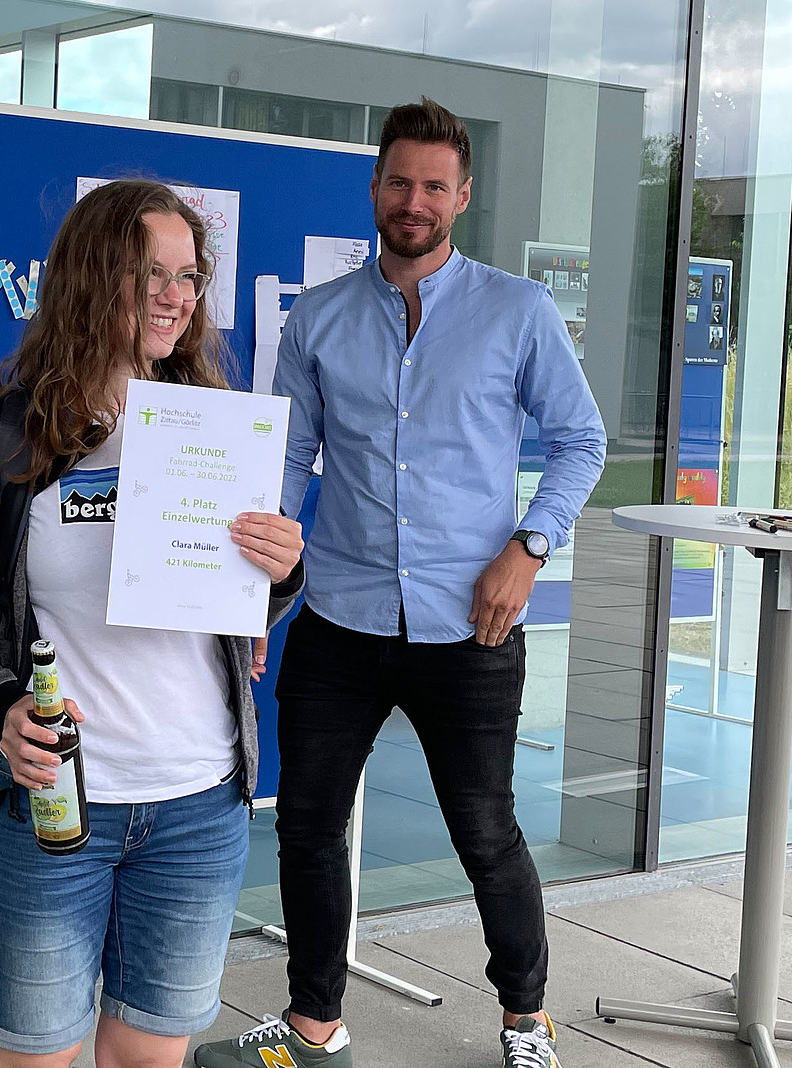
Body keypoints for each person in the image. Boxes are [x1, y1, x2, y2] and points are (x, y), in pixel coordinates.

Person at [196, 98, 605, 1068]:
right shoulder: (319, 318)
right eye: (398, 181)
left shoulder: (518, 311)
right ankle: (314, 1025)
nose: (413, 200)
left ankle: (525, 1018)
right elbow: (285, 463)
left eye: (433, 185)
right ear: (374, 188)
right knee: (306, 826)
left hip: (472, 623)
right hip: (338, 618)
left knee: (485, 832)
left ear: (461, 197)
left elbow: (582, 441)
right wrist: (250, 601)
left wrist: (529, 546)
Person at [0, 179, 306, 1068]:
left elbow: (243, 602)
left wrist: (284, 572)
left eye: (189, 276)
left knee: (148, 1056)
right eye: (149, 273)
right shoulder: (5, 438)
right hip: (52, 805)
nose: (176, 296)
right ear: (91, 278)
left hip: (198, 802)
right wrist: (3, 703)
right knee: (37, 1054)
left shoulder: (216, 429)